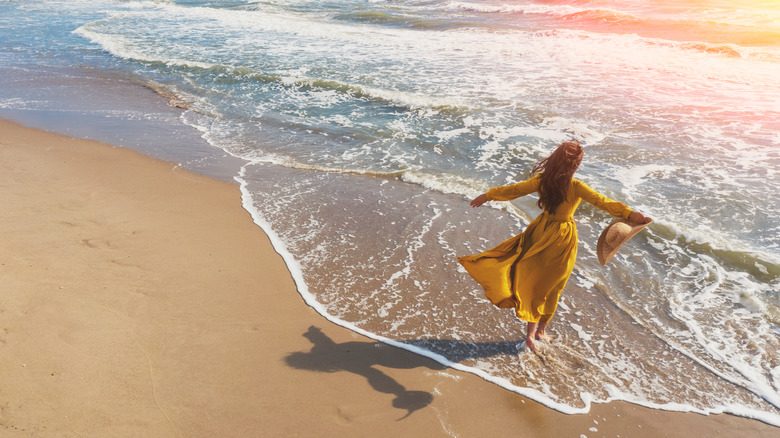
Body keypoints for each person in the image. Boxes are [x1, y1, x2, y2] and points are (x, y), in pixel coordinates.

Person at [458, 139, 650, 351]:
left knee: (536, 282)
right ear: (575, 165)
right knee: (554, 287)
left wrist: (488, 195)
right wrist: (629, 214)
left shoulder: (542, 181)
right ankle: (540, 332)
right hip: (562, 239)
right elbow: (602, 202)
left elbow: (515, 190)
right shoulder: (576, 186)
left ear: (555, 160)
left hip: (539, 231)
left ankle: (531, 335)